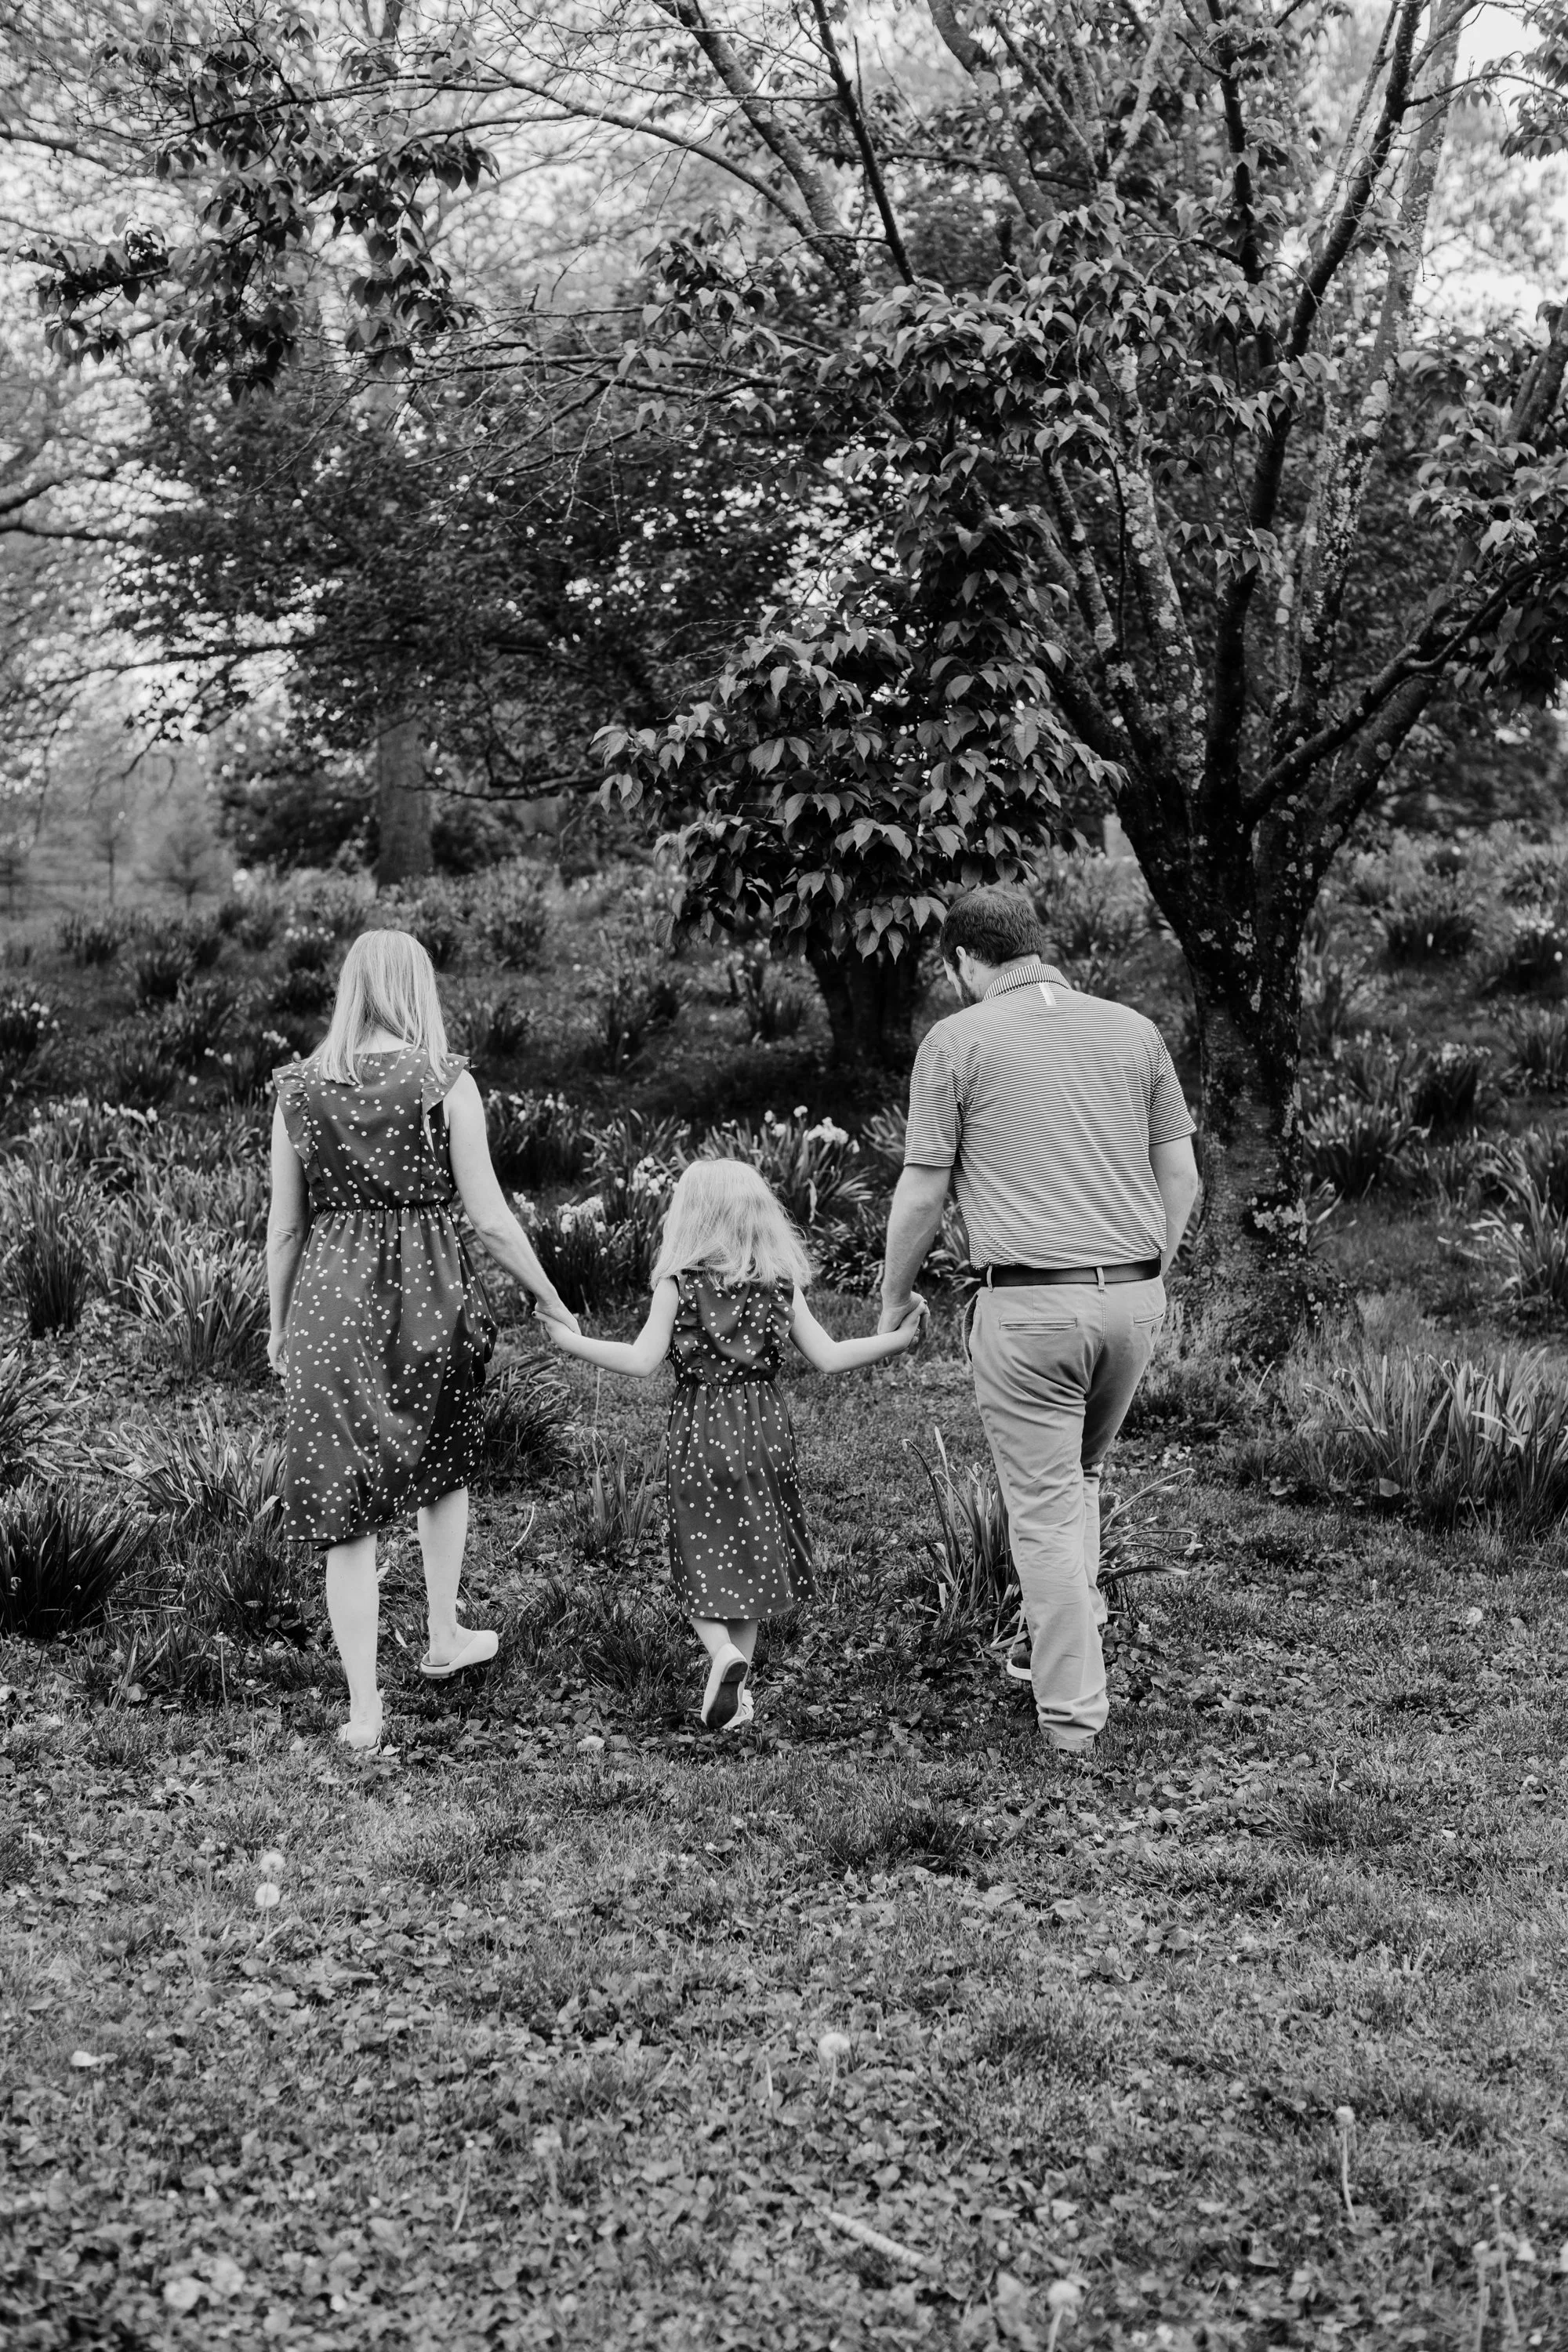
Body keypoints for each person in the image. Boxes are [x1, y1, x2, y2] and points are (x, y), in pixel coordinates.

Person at [878, 885, 1200, 1757]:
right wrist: (1144, 1280)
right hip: (1132, 1301)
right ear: (1038, 946)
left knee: (1045, 1513)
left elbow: (923, 1188)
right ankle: (1046, 1647)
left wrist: (890, 1296)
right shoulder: (1133, 1031)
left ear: (962, 963)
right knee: (1080, 1482)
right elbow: (1182, 1180)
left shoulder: (954, 1041)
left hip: (1027, 1308)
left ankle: (1070, 1721)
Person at [266, 927, 579, 1750]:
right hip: (425, 1292)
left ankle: (364, 1711)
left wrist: (277, 1323)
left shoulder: (298, 1089)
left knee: (344, 1506)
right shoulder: (445, 1082)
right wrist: (550, 1298)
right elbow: (489, 1217)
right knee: (443, 1458)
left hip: (330, 1300)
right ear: (415, 989)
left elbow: (285, 1231)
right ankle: (442, 1634)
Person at [543, 1158, 926, 1730]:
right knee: (748, 1555)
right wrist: (896, 1340)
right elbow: (829, 1357)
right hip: (765, 1433)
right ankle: (739, 1698)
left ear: (690, 1218)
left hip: (703, 1433)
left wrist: (572, 1341)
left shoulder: (681, 1284)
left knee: (697, 1555)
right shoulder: (779, 1286)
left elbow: (641, 1361)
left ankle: (722, 1653)